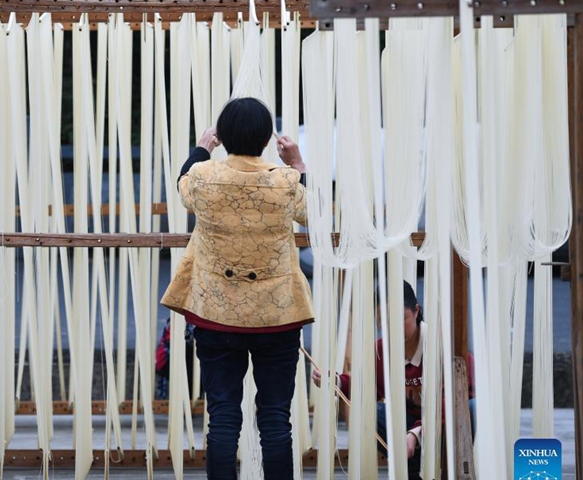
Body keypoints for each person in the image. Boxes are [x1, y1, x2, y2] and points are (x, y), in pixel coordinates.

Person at [161, 97, 313, 480]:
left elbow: (182, 188)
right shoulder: (285, 181)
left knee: (223, 418)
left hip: (216, 315)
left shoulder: (203, 177)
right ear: (267, 140)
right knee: (276, 420)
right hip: (277, 316)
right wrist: (297, 162)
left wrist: (201, 148)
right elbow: (316, 212)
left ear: (223, 137)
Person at [312, 280, 476, 480]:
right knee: (371, 412)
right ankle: (411, 470)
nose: (392, 329)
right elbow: (366, 386)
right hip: (408, 428)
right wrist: (336, 381)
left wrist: (416, 433)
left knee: (473, 407)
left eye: (400, 319)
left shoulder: (444, 346)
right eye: (383, 322)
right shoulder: (380, 351)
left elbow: (452, 403)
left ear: (416, 311)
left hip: (448, 423)